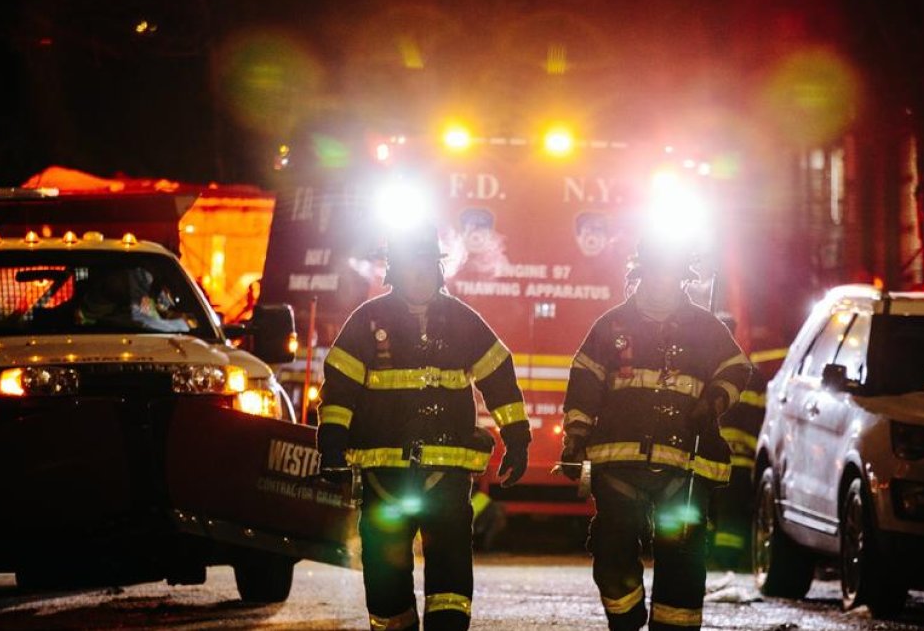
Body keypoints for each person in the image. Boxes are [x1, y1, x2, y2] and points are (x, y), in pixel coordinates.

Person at [316, 223, 531, 631]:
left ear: (439, 269)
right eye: (411, 266)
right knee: (383, 575)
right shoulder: (367, 321)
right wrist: (331, 444)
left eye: (427, 266)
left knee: (450, 575)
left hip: (446, 477)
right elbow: (339, 390)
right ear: (393, 272)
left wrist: (517, 439)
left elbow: (499, 380)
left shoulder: (464, 322)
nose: (420, 275)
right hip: (383, 476)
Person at [559, 233, 753, 630]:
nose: (665, 284)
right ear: (641, 275)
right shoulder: (610, 326)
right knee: (612, 553)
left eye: (673, 276)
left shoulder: (706, 328)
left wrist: (714, 400)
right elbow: (584, 382)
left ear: (683, 278)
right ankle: (626, 619)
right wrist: (576, 438)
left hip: (686, 466)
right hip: (618, 464)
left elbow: (737, 368)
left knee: (683, 559)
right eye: (657, 275)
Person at [707, 314, 766, 572]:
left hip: (707, 458)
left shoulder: (702, 371)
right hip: (741, 461)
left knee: (708, 510)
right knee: (731, 514)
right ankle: (728, 561)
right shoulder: (754, 375)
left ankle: (712, 558)